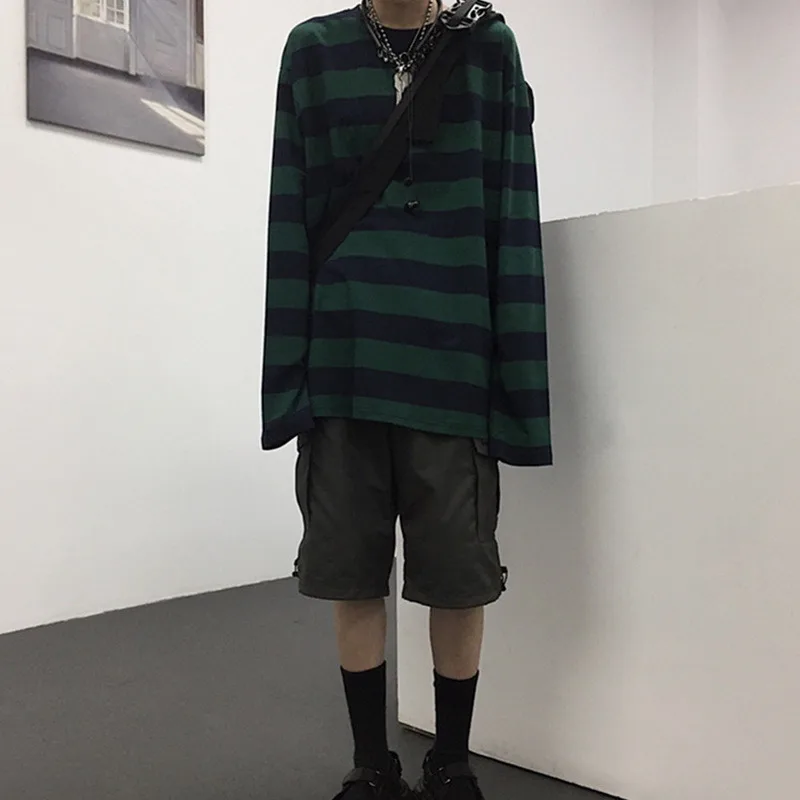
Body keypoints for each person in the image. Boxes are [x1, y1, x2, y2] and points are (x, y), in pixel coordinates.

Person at [261, 0, 551, 797]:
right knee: (352, 575)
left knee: (459, 578)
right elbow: (289, 219)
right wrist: (288, 380)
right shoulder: (312, 51)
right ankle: (372, 764)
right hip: (344, 366)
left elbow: (512, 215)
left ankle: (450, 761)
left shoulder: (487, 48)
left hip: (453, 368)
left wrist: (517, 387)